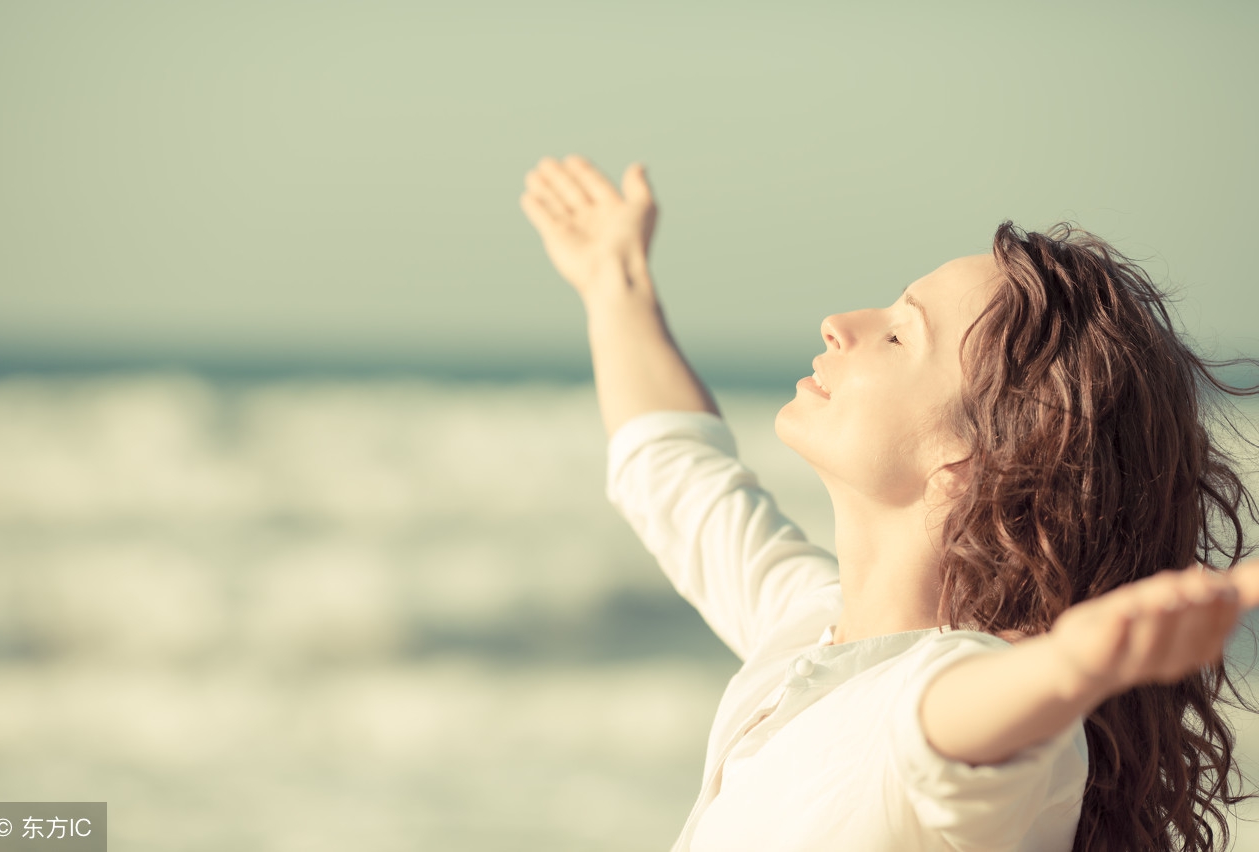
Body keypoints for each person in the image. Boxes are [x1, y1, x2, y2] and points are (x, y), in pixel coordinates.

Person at [518, 154, 1259, 851]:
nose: (841, 322)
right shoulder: (810, 628)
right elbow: (678, 474)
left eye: (902, 334)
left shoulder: (977, 705)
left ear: (970, 462)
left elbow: (955, 725)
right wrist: (613, 280)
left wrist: (1071, 666)